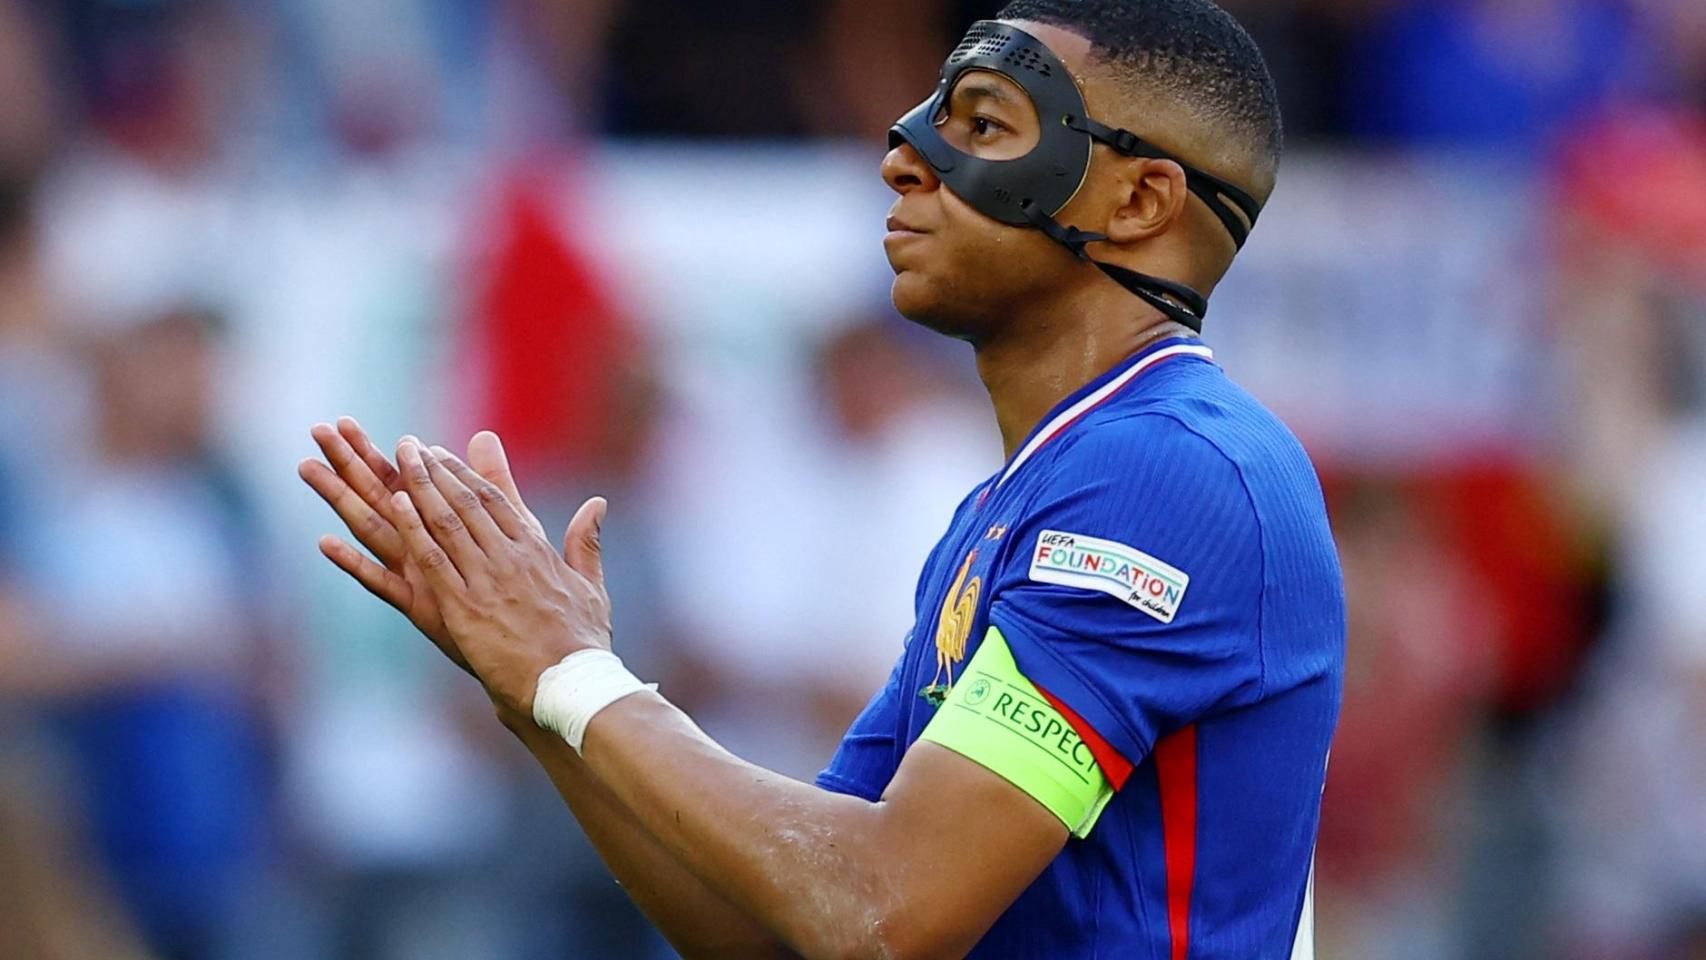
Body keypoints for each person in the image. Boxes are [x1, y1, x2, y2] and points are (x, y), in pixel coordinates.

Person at [300, 1, 1345, 956]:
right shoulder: (1011, 505)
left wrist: (574, 673)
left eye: (985, 125)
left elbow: (880, 912)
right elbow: (785, 925)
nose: (904, 156)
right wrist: (536, 696)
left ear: (1139, 200)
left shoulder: (1173, 475)